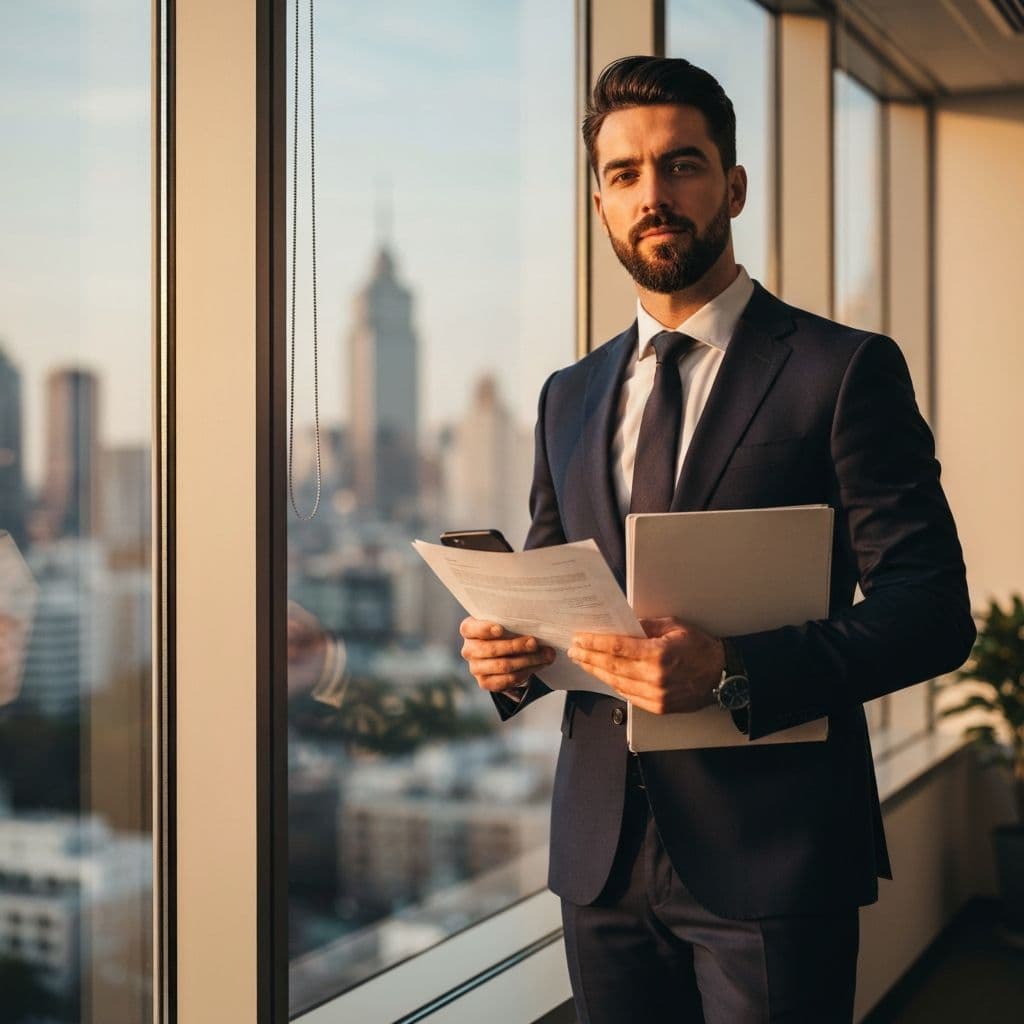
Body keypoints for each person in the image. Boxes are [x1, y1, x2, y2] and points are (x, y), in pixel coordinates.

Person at [458, 56, 975, 1024]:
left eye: (680, 165)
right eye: (623, 175)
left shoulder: (842, 369)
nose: (652, 195)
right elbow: (552, 590)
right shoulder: (565, 396)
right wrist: (507, 654)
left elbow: (932, 613)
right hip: (599, 856)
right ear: (600, 203)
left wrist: (735, 668)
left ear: (731, 185)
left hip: (775, 853)